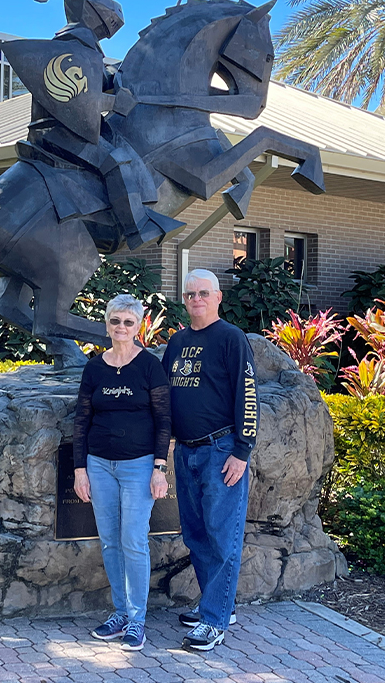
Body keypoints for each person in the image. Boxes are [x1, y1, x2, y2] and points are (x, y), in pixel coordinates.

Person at [162, 269, 259, 651]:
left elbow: (247, 397)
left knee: (222, 536)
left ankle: (215, 622)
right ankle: (217, 604)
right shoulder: (177, 341)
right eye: (190, 294)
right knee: (196, 535)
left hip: (221, 452)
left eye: (203, 293)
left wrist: (242, 451)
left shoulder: (231, 339)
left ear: (218, 297)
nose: (196, 300)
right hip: (185, 451)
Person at [73, 293, 171, 650]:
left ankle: (138, 619)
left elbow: (164, 421)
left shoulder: (150, 367)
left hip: (138, 467)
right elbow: (82, 420)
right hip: (99, 466)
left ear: (138, 326)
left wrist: (160, 468)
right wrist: (79, 469)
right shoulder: (95, 367)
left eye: (128, 322)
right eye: (115, 321)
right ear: (107, 324)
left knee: (132, 540)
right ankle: (120, 613)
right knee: (111, 541)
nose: (121, 328)